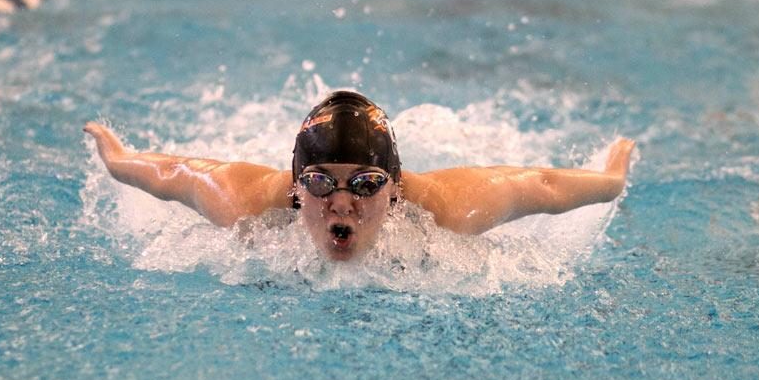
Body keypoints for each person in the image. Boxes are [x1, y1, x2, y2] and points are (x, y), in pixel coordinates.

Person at [84, 91, 635, 261]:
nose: (341, 204)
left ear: (395, 189)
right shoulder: (247, 203)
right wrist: (115, 156)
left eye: (366, 184)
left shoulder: (445, 207)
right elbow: (174, 174)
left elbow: (541, 186)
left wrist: (611, 177)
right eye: (321, 182)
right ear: (296, 186)